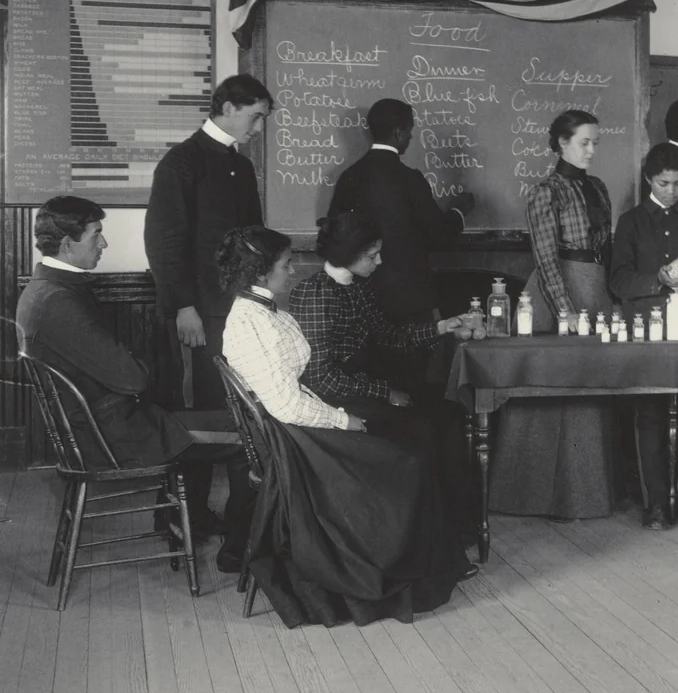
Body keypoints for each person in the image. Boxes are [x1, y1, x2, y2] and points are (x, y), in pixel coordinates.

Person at [220, 226, 475, 627]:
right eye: (286, 264)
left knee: (410, 450)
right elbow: (286, 403)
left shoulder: (266, 310)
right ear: (261, 272)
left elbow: (293, 390)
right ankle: (395, 569)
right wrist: (344, 420)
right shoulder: (253, 322)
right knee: (405, 461)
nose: (292, 271)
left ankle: (421, 559)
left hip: (297, 424)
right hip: (291, 441)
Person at [18, 197, 253, 570]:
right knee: (250, 433)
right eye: (96, 235)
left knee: (201, 414)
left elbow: (122, 369)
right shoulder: (59, 301)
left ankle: (185, 517)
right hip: (111, 434)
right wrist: (135, 362)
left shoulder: (46, 288)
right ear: (67, 244)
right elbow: (133, 377)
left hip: (101, 421)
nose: (104, 243)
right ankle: (242, 549)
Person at [288, 211, 473, 532]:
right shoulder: (314, 294)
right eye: (372, 255)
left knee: (449, 418)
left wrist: (442, 327)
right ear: (348, 254)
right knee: (425, 430)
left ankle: (451, 533)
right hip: (333, 403)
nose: (380, 262)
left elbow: (391, 336)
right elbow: (320, 377)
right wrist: (385, 393)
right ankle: (424, 538)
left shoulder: (359, 287)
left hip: (360, 389)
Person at [145, 73, 272, 534]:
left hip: (235, 311)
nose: (258, 129)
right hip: (197, 315)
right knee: (195, 413)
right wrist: (183, 307)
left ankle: (208, 517)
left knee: (231, 409)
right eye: (256, 118)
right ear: (230, 108)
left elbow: (252, 240)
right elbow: (164, 242)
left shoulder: (240, 165)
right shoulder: (182, 162)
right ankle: (179, 516)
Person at [487, 110, 621, 519]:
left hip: (595, 288)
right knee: (550, 393)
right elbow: (545, 260)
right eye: (585, 142)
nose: (592, 150)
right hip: (557, 294)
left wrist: (608, 297)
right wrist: (566, 311)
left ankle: (587, 496)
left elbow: (608, 249)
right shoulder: (546, 190)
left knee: (591, 391)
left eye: (596, 142)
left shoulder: (597, 186)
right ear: (561, 143)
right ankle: (530, 497)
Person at [327, 97, 475, 397]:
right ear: (398, 132)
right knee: (410, 382)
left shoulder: (348, 178)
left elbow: (334, 236)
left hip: (359, 298)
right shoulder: (410, 179)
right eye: (410, 131)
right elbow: (439, 236)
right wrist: (459, 211)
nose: (411, 137)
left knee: (372, 381)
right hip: (409, 298)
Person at [611, 143, 678, 529]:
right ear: (648, 181)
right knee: (651, 411)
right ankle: (655, 503)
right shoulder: (631, 222)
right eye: (663, 183)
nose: (672, 191)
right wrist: (658, 279)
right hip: (648, 326)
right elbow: (619, 280)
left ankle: (674, 495)